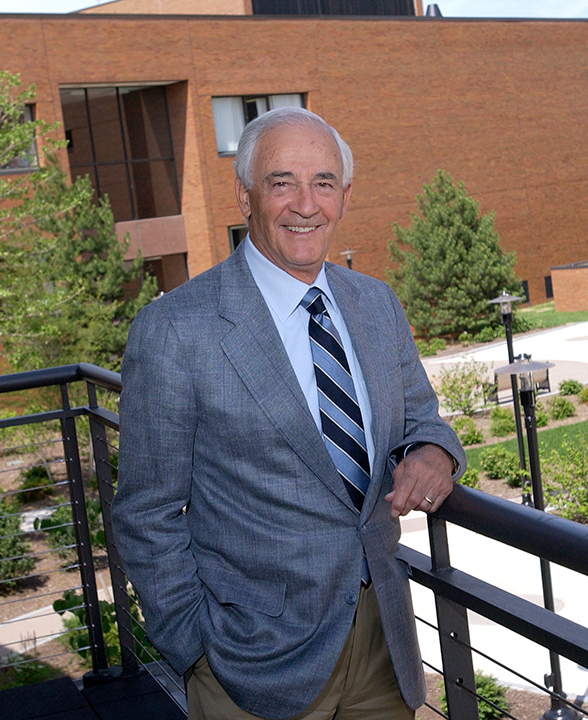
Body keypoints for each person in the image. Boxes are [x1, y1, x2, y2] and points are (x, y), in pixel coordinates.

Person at [113, 107, 466, 720]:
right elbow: (146, 511)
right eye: (282, 183)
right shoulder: (176, 330)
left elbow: (422, 420)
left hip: (382, 641)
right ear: (245, 197)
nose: (306, 204)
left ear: (345, 196)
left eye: (323, 183)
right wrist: (195, 649)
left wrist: (433, 453)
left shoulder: (375, 304)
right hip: (248, 667)